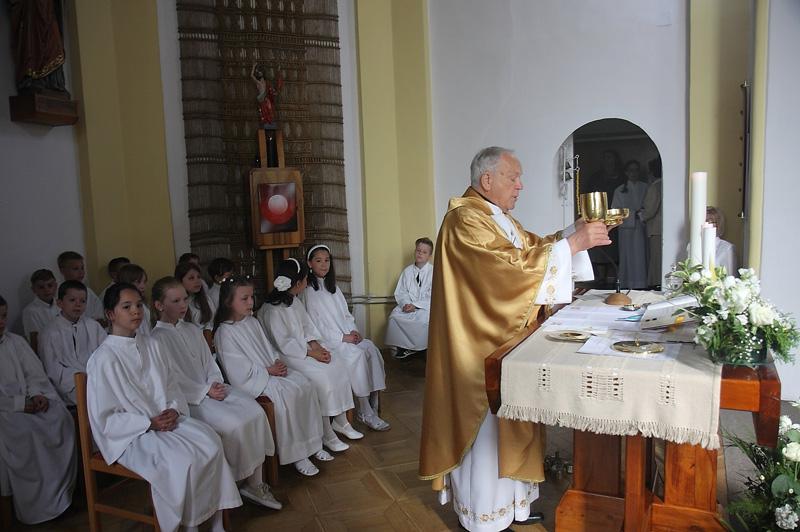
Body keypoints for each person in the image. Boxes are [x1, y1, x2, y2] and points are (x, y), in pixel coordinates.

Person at [419, 146, 609, 532]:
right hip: (476, 351)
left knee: (512, 421)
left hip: (504, 345)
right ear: (487, 179)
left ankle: (510, 509)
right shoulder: (464, 220)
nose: (520, 185)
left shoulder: (497, 217)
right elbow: (504, 273)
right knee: (486, 432)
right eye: (513, 177)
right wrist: (573, 244)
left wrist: (573, 233)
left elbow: (532, 249)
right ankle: (483, 518)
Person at [87, 283, 241, 532]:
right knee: (181, 460)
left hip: (166, 420)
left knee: (210, 442)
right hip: (133, 434)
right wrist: (148, 423)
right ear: (110, 314)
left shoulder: (152, 345)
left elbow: (171, 385)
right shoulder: (103, 359)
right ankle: (189, 525)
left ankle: (215, 522)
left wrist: (173, 409)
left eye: (139, 305)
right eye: (126, 307)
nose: (135, 311)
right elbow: (104, 417)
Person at [150, 277, 281, 510]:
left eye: (185, 299)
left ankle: (255, 482)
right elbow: (169, 380)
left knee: (254, 412)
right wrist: (204, 390)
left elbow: (209, 363)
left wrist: (214, 382)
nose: (183, 305)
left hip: (213, 389)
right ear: (159, 305)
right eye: (176, 301)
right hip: (191, 400)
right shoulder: (156, 340)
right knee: (234, 425)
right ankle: (234, 481)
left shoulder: (192, 329)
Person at [213, 276, 332, 477]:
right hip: (256, 381)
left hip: (271, 371)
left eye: (252, 297)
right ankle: (297, 454)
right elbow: (236, 369)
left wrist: (276, 361)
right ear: (228, 301)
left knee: (306, 385)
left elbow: (269, 348)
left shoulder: (252, 322)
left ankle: (313, 444)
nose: (251, 302)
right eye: (244, 298)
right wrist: (267, 371)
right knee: (287, 395)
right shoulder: (224, 332)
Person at [259, 259, 362, 451]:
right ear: (298, 283)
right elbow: (284, 343)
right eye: (306, 279)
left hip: (306, 349)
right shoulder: (272, 310)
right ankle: (326, 432)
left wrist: (317, 347)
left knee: (337, 365)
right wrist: (312, 353)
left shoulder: (294, 301)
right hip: (289, 355)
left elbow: (308, 328)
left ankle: (341, 421)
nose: (307, 282)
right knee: (323, 376)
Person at [0, 294, 76, 525]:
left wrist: (38, 394)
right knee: (27, 432)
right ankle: (34, 508)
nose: (1, 322)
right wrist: (20, 404)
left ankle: (61, 497)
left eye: (3, 316)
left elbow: (34, 373)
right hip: (6, 410)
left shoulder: (15, 342)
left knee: (60, 419)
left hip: (30, 401)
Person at [303, 245, 389, 431]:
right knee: (355, 356)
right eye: (318, 261)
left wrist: (353, 331)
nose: (324, 264)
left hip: (346, 336)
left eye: (327, 260)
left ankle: (373, 401)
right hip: (330, 342)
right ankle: (364, 410)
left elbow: (346, 315)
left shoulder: (334, 288)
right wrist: (343, 337)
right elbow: (316, 326)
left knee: (371, 348)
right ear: (310, 264)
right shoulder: (308, 291)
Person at [38, 280, 107, 406]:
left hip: (97, 378)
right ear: (59, 303)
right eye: (72, 300)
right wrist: (79, 380)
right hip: (69, 385)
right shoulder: (50, 332)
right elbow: (52, 368)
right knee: (98, 398)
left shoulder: (93, 326)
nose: (78, 305)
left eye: (83, 301)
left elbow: (106, 353)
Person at [385, 237, 434, 359]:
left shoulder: (434, 272)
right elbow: (401, 292)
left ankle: (419, 348)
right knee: (394, 317)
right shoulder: (407, 271)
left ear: (429, 256)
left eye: (424, 252)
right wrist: (406, 304)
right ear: (415, 251)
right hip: (408, 305)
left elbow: (433, 295)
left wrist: (416, 305)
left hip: (425, 307)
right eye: (418, 250)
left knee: (423, 321)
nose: (420, 254)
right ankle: (402, 347)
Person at [611, 160, 649, 289]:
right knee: (627, 256)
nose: (634, 173)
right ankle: (627, 282)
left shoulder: (645, 187)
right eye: (631, 170)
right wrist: (633, 214)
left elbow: (649, 206)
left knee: (640, 255)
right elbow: (615, 211)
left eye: (636, 170)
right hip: (626, 229)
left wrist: (641, 215)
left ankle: (641, 283)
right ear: (626, 172)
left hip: (641, 226)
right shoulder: (619, 190)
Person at [57, 251, 104, 321]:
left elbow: (100, 317)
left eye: (82, 268)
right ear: (62, 270)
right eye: (75, 269)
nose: (81, 272)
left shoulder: (89, 292)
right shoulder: (58, 293)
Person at [21, 268, 59, 350]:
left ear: (55, 286)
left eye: (50, 285)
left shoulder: (62, 304)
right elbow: (33, 339)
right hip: (46, 351)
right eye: (41, 287)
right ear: (34, 289)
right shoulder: (30, 311)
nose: (46, 290)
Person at [640, 158, 663, 288]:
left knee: (656, 259)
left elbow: (650, 209)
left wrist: (640, 215)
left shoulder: (655, 187)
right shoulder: (666, 184)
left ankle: (656, 283)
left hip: (656, 228)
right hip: (662, 227)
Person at [175, 262, 216, 331]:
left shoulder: (206, 299)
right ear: (180, 281)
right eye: (191, 278)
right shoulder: (175, 304)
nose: (197, 281)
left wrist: (207, 331)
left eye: (199, 277)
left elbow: (211, 323)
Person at [117, 263, 152, 335]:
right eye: (138, 282)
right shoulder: (122, 306)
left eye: (144, 282)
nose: (143, 286)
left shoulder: (143, 304)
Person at [706, 206, 738, 276]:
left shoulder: (727, 248)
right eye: (705, 221)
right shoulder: (692, 246)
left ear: (718, 224)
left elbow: (731, 276)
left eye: (711, 222)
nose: (707, 225)